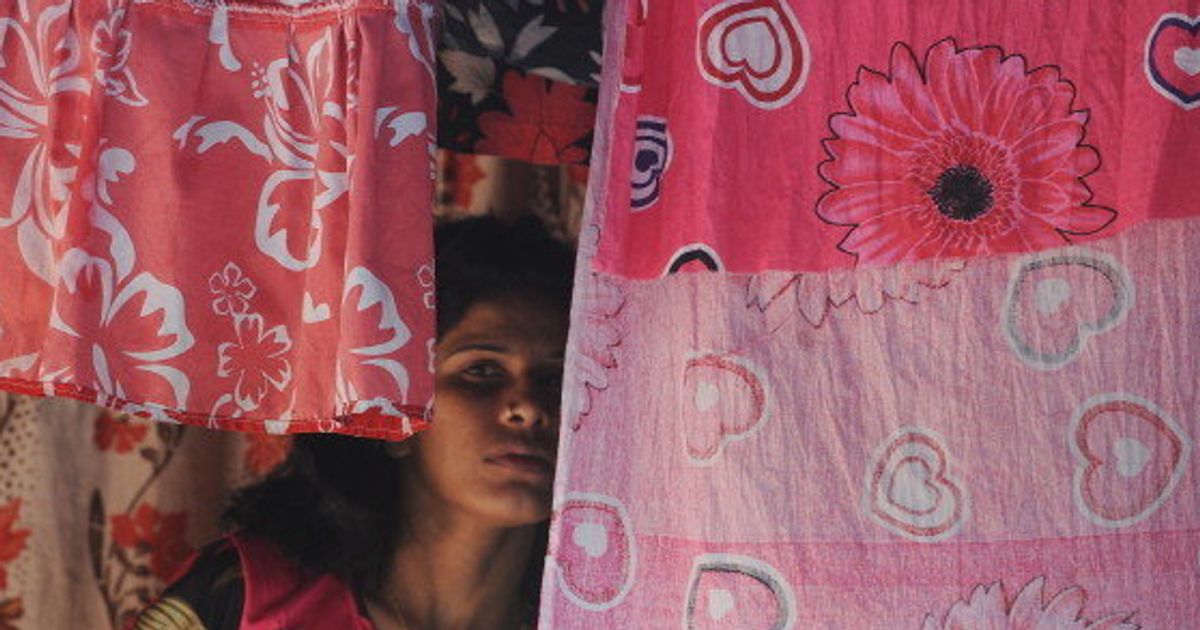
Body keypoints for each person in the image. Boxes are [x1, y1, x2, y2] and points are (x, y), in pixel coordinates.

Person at [134, 216, 574, 630]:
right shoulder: (247, 597)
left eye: (557, 379)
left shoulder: (614, 615)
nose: (530, 407)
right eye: (481, 371)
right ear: (391, 413)